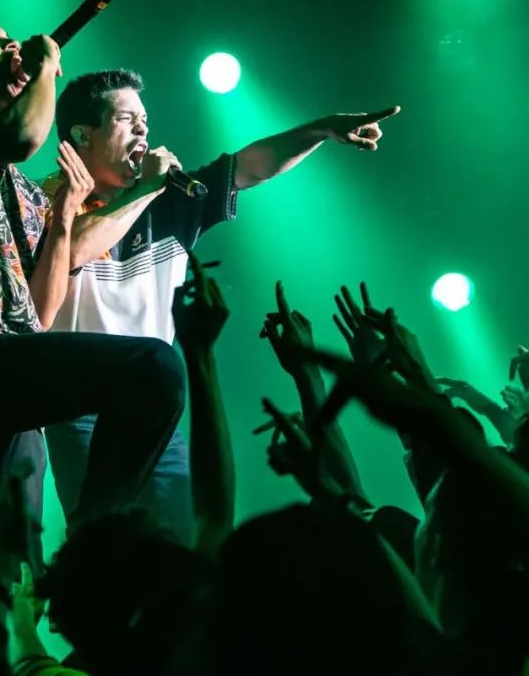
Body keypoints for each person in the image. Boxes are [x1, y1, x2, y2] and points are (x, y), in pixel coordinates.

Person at [0, 12, 185, 674]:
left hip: (6, 378)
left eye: (11, 39)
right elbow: (26, 134)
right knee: (154, 367)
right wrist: (48, 63)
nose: (10, 46)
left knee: (4, 581)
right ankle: (92, 544)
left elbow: (44, 306)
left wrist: (69, 216)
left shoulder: (26, 194)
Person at [42, 68, 398, 540]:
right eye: (127, 119)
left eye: (145, 120)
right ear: (82, 134)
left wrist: (321, 129)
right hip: (79, 408)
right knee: (99, 545)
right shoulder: (45, 200)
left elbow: (251, 166)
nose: (144, 129)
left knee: (182, 545)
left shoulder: (172, 200)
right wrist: (146, 190)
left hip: (153, 407)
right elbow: (73, 248)